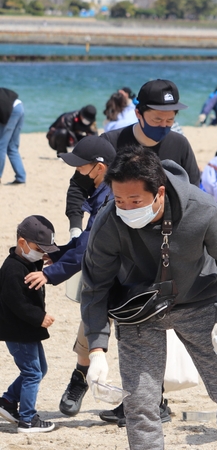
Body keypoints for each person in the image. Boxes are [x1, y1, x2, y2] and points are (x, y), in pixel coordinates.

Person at [81, 146, 217, 449]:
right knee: (140, 404)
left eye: (135, 200)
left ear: (159, 193)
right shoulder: (109, 221)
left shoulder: (202, 209)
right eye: (119, 199)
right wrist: (96, 348)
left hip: (200, 303)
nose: (126, 208)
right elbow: (95, 285)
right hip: (139, 311)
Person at [26, 137, 115, 418]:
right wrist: (59, 252)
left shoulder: (112, 197)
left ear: (99, 167)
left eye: (80, 166)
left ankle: (148, 400)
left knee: (134, 342)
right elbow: (85, 242)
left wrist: (50, 274)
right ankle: (79, 381)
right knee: (89, 330)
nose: (76, 171)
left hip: (126, 280)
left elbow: (88, 248)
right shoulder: (101, 190)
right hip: (103, 276)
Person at [65, 79, 201, 240]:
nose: (163, 125)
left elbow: (193, 192)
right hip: (118, 233)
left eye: (170, 120)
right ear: (138, 113)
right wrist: (75, 228)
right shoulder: (110, 142)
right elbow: (78, 185)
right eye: (157, 120)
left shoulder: (180, 144)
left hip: (164, 233)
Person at [0, 216, 60, 434]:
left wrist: (49, 262)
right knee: (32, 372)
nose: (42, 254)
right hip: (18, 332)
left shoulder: (27, 261)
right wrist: (39, 318)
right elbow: (17, 303)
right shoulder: (12, 269)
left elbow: (38, 262)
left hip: (27, 331)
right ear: (22, 242)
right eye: (39, 248)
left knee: (39, 369)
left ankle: (7, 402)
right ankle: (27, 419)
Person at [0, 88, 26, 185]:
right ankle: (21, 177)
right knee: (12, 146)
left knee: (1, 146)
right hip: (19, 106)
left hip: (11, 110)